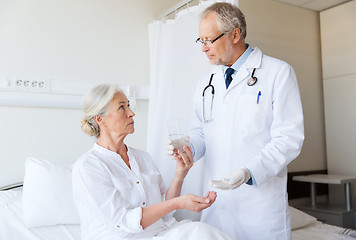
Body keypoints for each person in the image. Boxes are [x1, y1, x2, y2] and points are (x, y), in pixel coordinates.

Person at [175, 2, 304, 240]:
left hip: (258, 205)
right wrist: (187, 147)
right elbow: (201, 131)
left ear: (235, 34)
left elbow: (289, 139)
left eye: (208, 40)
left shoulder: (278, 73)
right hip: (216, 203)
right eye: (200, 40)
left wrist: (249, 171)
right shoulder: (206, 83)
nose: (203, 48)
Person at [72, 84, 231, 240]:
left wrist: (180, 174)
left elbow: (165, 212)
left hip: (162, 231)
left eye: (129, 105)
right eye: (122, 108)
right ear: (100, 119)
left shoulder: (143, 158)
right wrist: (178, 203)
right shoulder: (88, 168)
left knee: (204, 233)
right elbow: (123, 224)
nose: (132, 113)